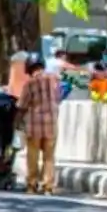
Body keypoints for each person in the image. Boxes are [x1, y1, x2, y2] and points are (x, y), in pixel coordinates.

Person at [17, 53, 62, 194]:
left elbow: (22, 105)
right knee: (49, 157)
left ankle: (32, 184)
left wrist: (16, 121)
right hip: (51, 124)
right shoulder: (55, 79)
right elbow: (58, 97)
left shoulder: (30, 84)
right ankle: (48, 186)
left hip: (34, 125)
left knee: (33, 157)